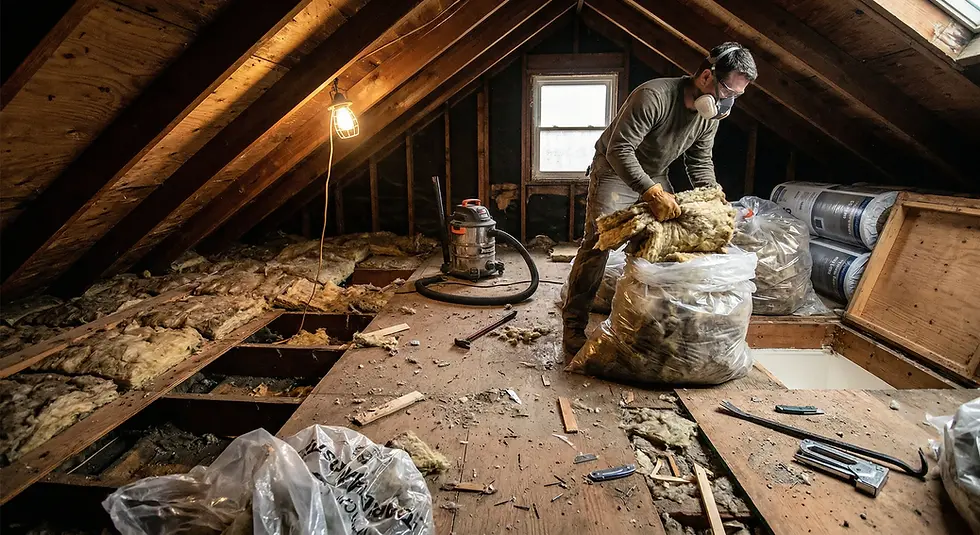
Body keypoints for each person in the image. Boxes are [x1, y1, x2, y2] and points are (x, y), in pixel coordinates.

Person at [561, 42, 758, 358]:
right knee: (599, 243)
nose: (728, 101)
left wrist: (714, 200)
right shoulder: (653, 96)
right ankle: (573, 324)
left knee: (668, 240)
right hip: (615, 168)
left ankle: (645, 324)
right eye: (727, 91)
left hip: (655, 172)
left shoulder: (709, 117)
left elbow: (699, 161)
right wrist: (652, 193)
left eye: (737, 95)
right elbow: (619, 149)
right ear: (706, 77)